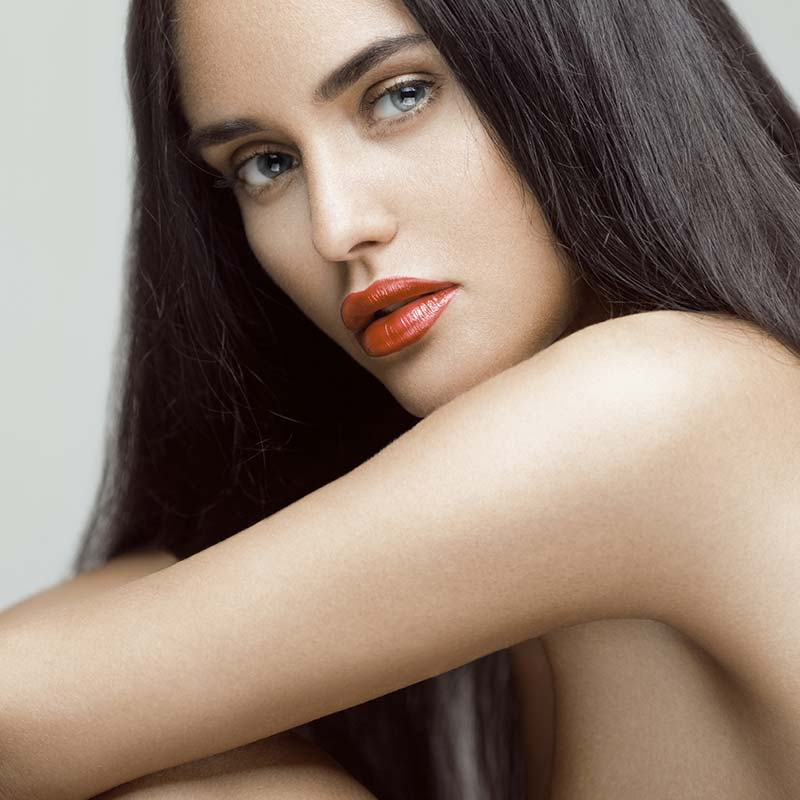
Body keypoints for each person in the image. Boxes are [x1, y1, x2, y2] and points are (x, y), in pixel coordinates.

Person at [1, 0, 799, 798]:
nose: (335, 228)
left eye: (400, 95)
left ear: (580, 62)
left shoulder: (663, 400)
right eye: (266, 164)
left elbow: (20, 712)